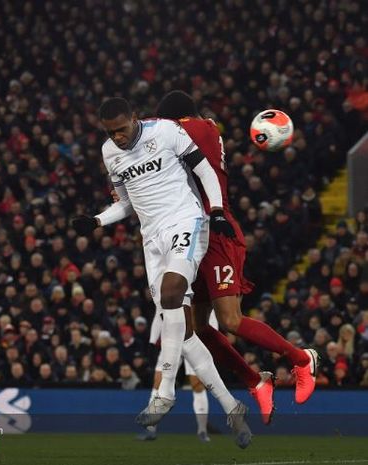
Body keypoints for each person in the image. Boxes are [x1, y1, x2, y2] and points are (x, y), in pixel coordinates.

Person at [71, 98, 251, 448]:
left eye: (122, 129)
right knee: (181, 331)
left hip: (187, 220)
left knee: (171, 295)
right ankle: (232, 407)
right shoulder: (110, 152)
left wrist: (215, 211)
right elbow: (124, 203)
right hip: (151, 239)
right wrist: (96, 220)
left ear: (134, 119)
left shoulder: (166, 131)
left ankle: (164, 393)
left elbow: (203, 170)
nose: (118, 137)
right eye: (111, 132)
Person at [155, 90, 318, 416]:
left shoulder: (198, 129)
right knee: (196, 328)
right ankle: (256, 381)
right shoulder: (197, 133)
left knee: (230, 319)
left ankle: (301, 358)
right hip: (188, 237)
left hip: (216, 233)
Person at [140, 312, 221, 443]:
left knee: (197, 385)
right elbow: (159, 313)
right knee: (158, 382)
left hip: (195, 341)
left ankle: (202, 431)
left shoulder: (201, 293)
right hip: (172, 340)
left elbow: (209, 314)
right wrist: (152, 341)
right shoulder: (165, 292)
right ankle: (150, 429)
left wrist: (210, 341)